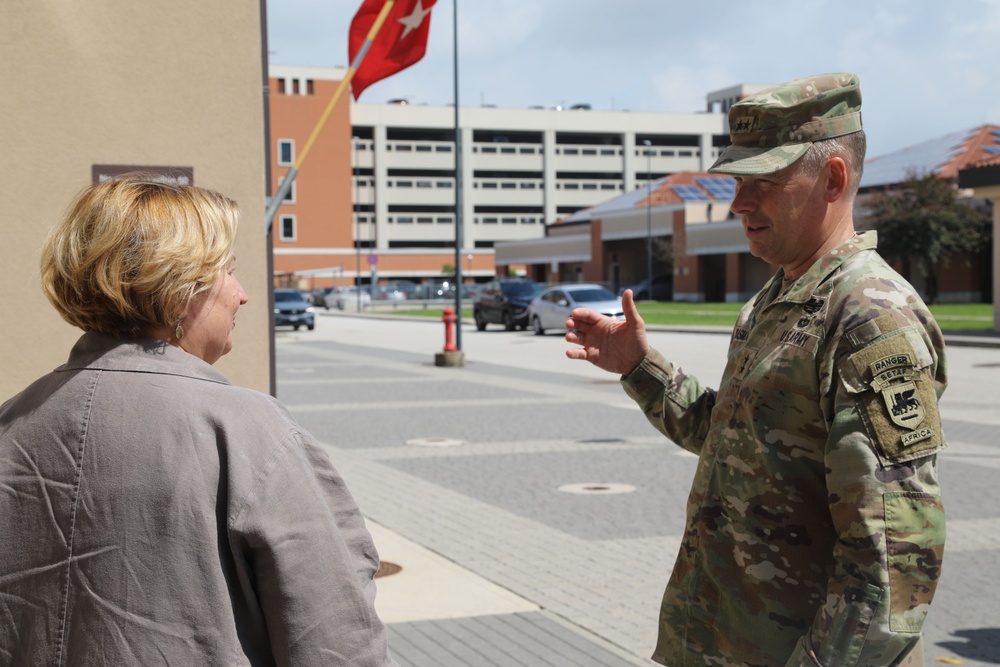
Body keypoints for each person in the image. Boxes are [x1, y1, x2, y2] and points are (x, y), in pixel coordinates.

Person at [566, 73, 946, 666]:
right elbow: (735, 438)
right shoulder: (776, 299)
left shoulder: (870, 316)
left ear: (834, 178)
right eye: (738, 182)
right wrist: (640, 367)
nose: (739, 203)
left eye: (764, 183)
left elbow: (894, 554)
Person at [0, 175, 398, 666]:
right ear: (177, 290)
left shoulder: (12, 422)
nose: (242, 294)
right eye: (228, 271)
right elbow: (337, 643)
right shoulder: (248, 431)